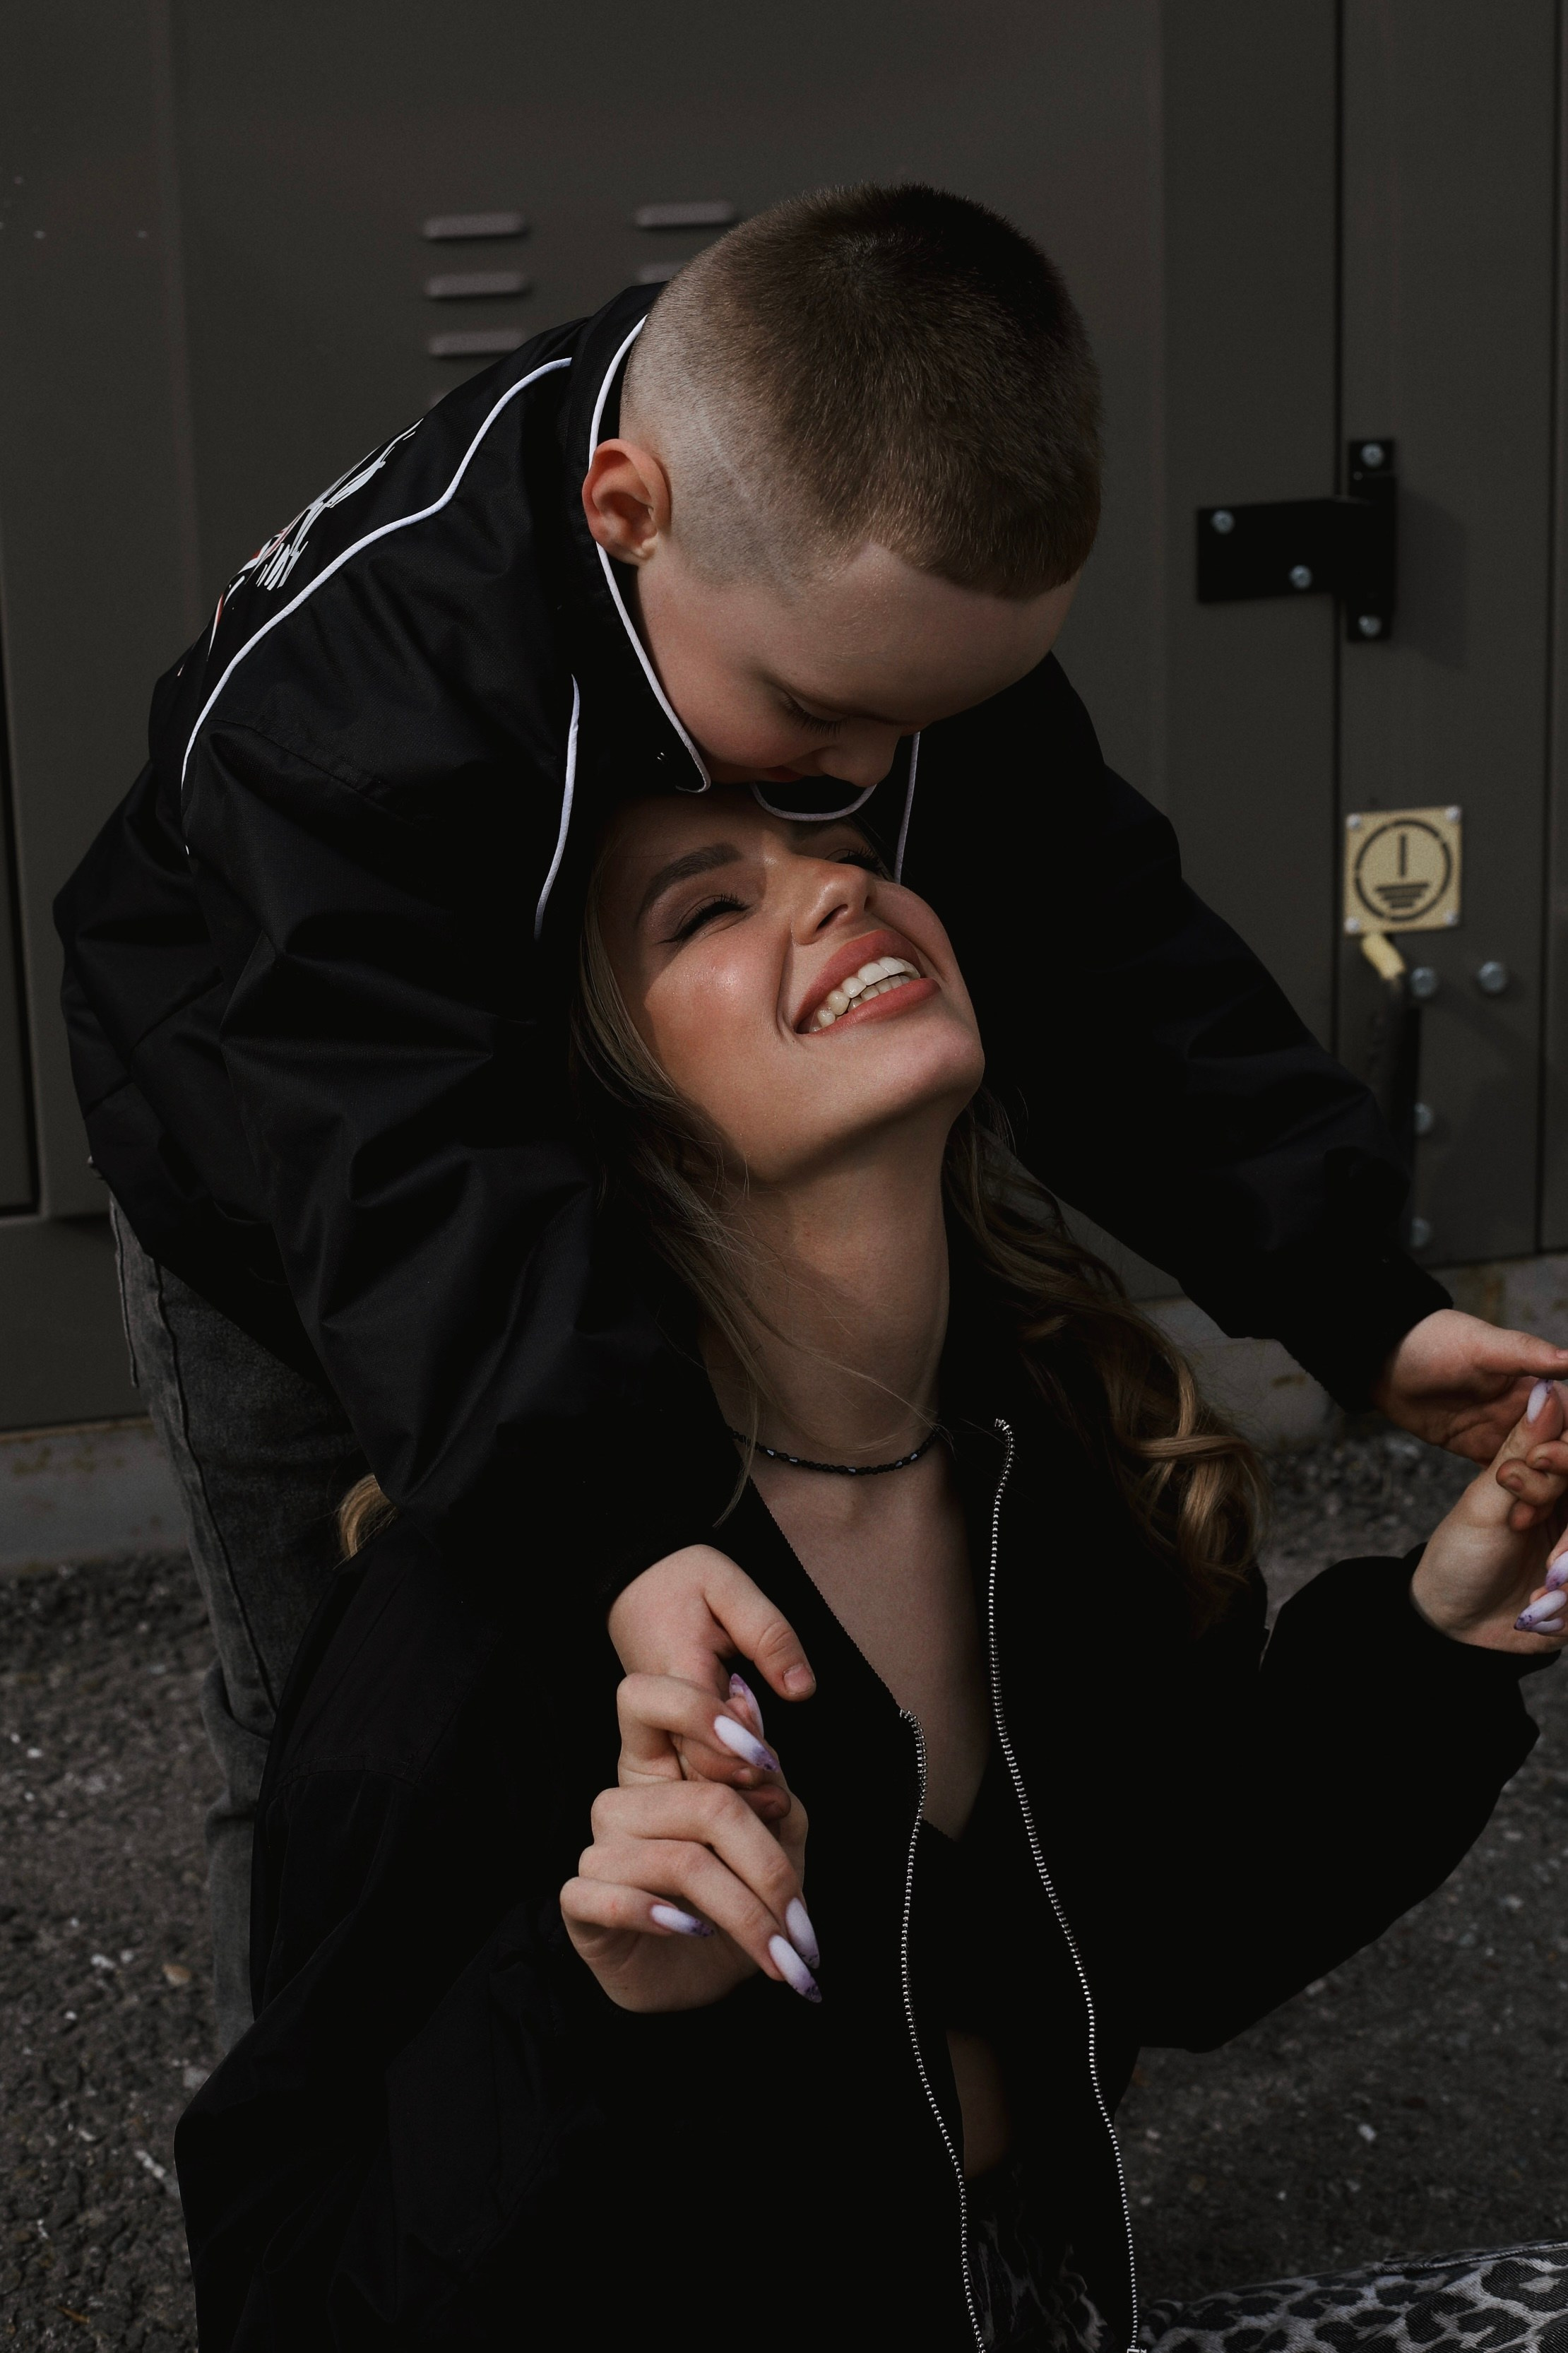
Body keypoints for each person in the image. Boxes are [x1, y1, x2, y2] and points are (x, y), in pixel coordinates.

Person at [57, 184, 1568, 2053]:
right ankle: (325, 2165)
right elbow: (408, 1169)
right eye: (816, 716)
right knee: (348, 1736)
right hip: (294, 1171)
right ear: (626, 510)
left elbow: (1103, 951)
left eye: (917, 730)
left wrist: (1362, 1297)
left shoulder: (851, 536)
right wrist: (614, 1524)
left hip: (681, 1117)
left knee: (780, 1656)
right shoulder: (355, 707)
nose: (855, 787)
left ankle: (903, 2106)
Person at [177, 791, 1568, 2352]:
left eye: (856, 856)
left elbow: (1180, 1937)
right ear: (591, 1097)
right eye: (706, 909)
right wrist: (592, 2005)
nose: (840, 890)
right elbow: (288, 2292)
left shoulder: (1058, 1453)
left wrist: (1442, 1644)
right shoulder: (478, 1615)